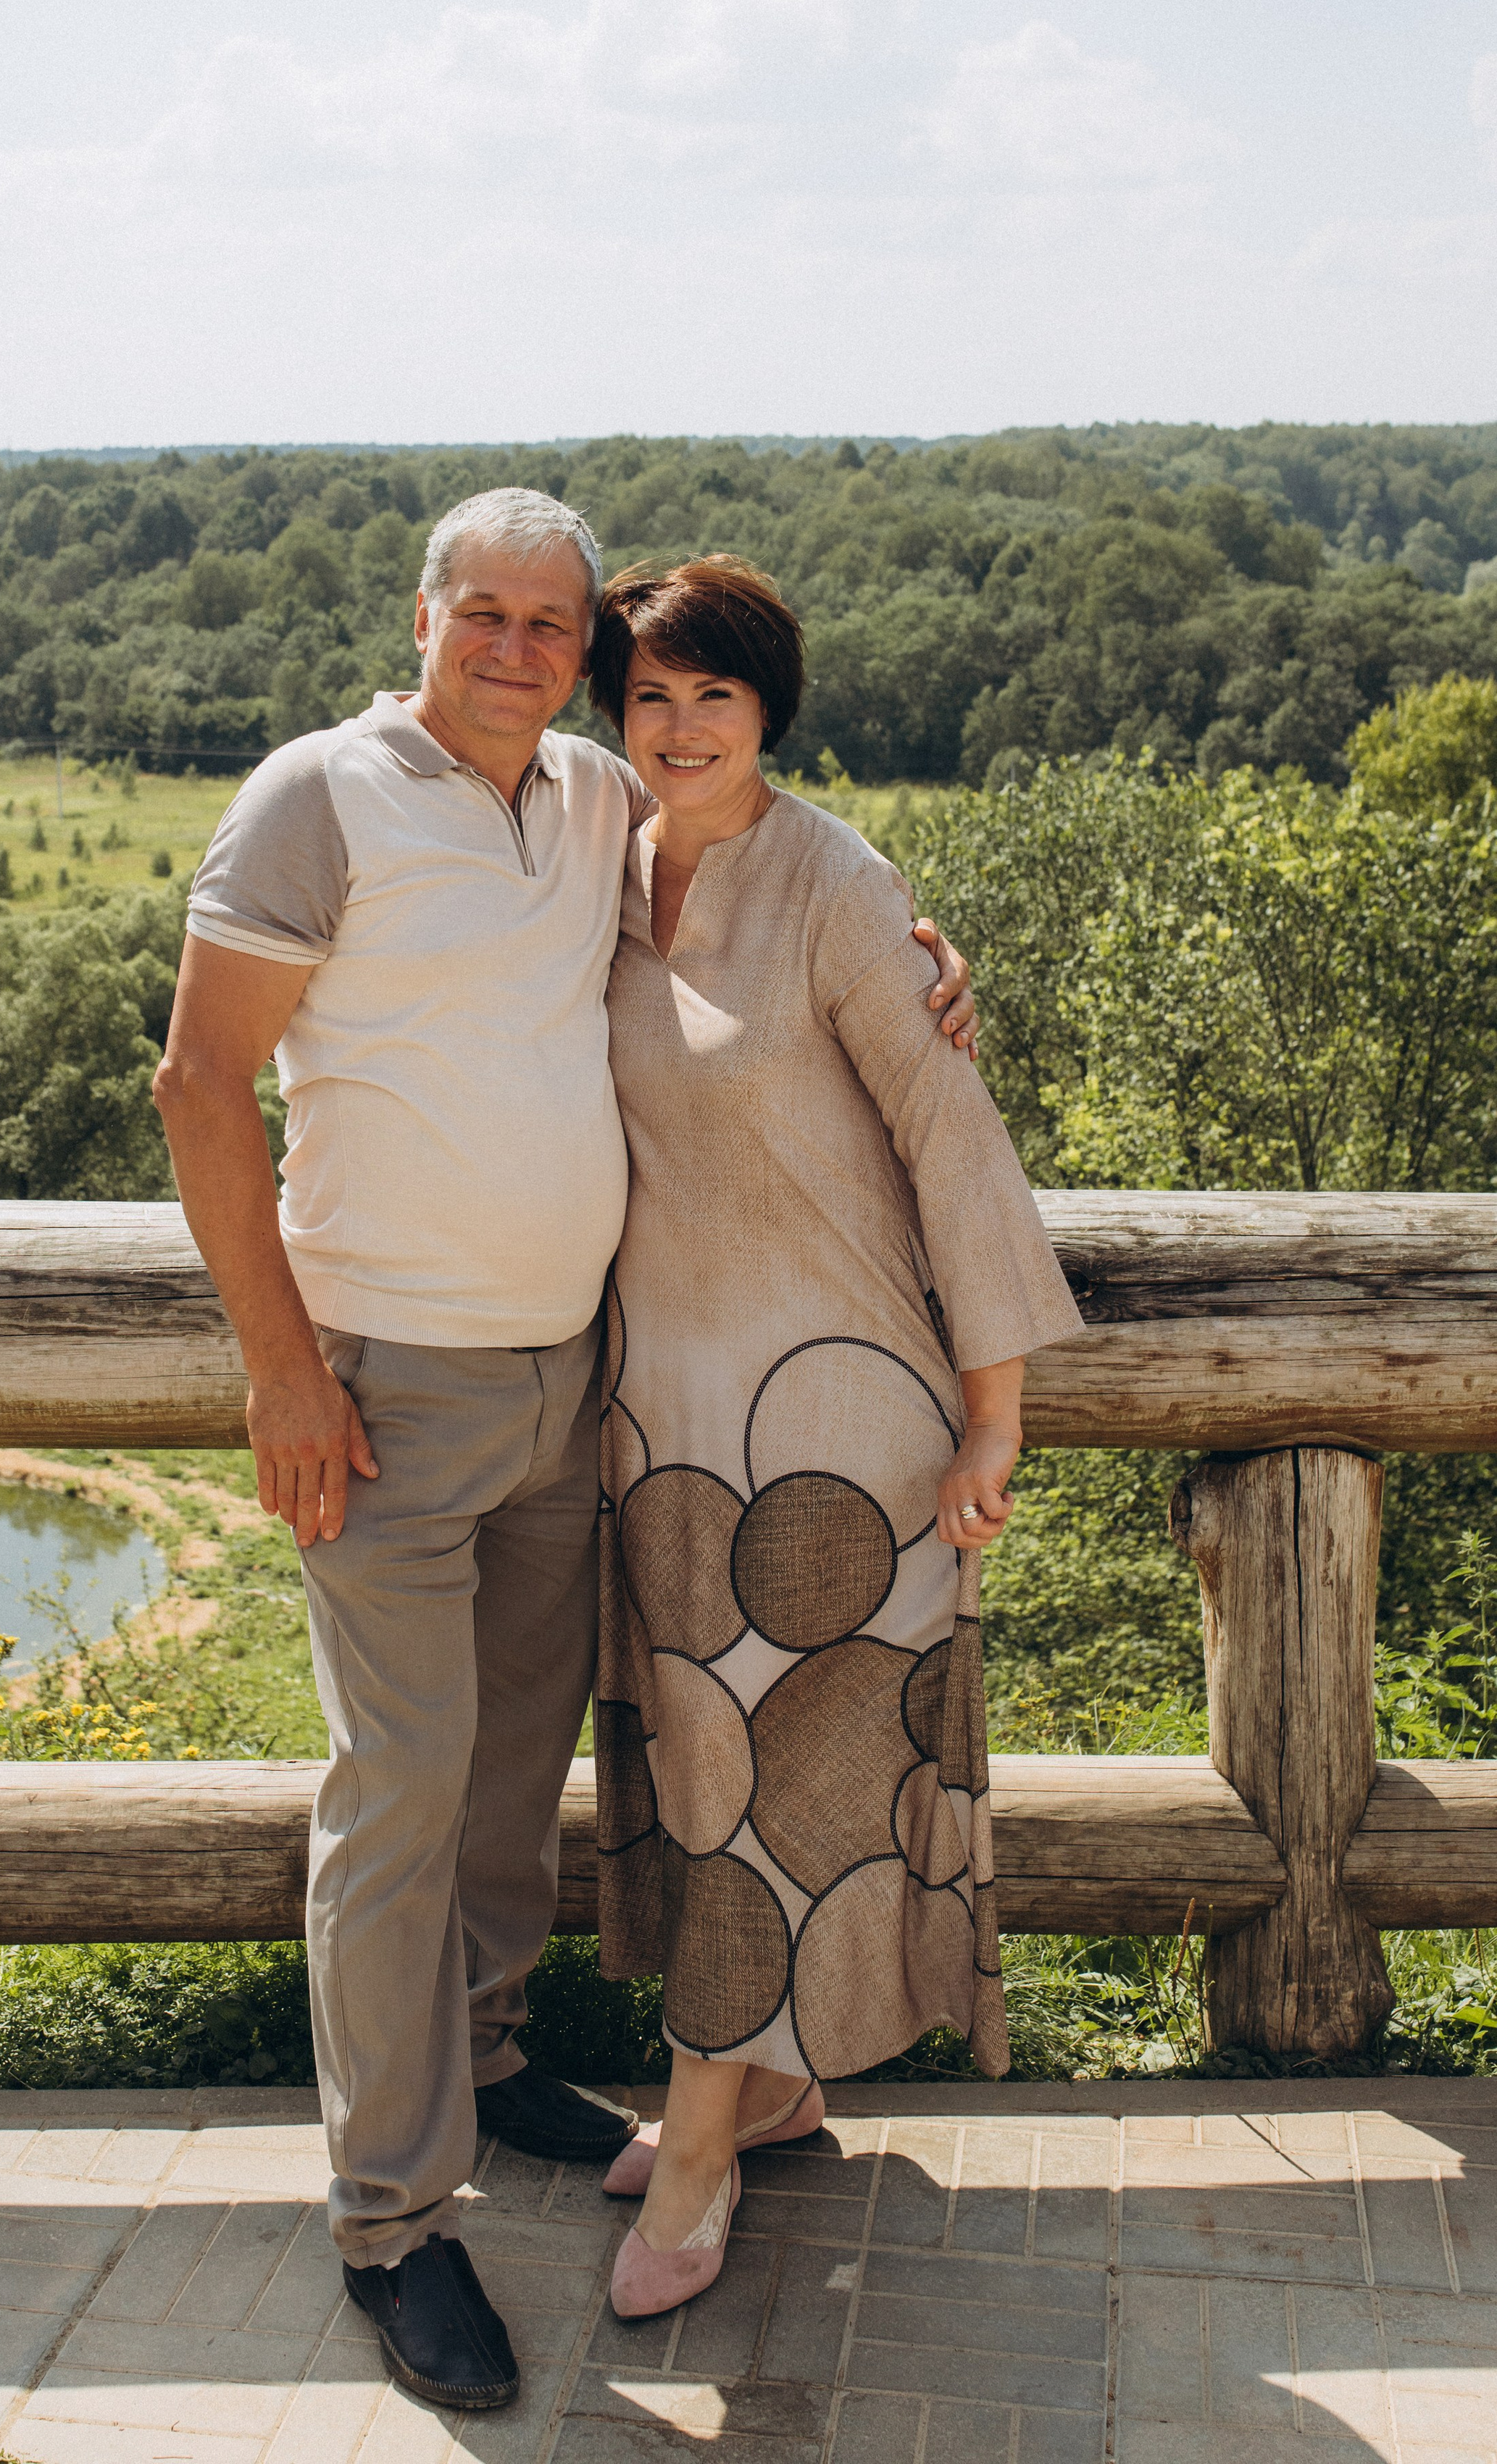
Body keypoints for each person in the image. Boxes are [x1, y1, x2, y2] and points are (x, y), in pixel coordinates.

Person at [153, 490, 980, 2413]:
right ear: (423, 615)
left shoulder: (596, 799)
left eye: (552, 626)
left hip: (570, 1376)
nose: (520, 650)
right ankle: (392, 2219)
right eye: (488, 616)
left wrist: (923, 954)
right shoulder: (320, 796)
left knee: (518, 1763)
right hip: (385, 1385)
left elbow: (754, 879)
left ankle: (495, 2045)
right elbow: (200, 1084)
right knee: (405, 1793)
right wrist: (283, 1370)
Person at [584, 554, 1083, 2322]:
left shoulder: (834, 878)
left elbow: (956, 1140)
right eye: (647, 694)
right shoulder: (588, 860)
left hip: (837, 1428)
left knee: (760, 1790)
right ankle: (777, 2082)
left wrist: (990, 1412)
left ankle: (702, 2139)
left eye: (713, 693)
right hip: (659, 1428)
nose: (680, 725)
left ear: (767, 710)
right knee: (706, 1781)